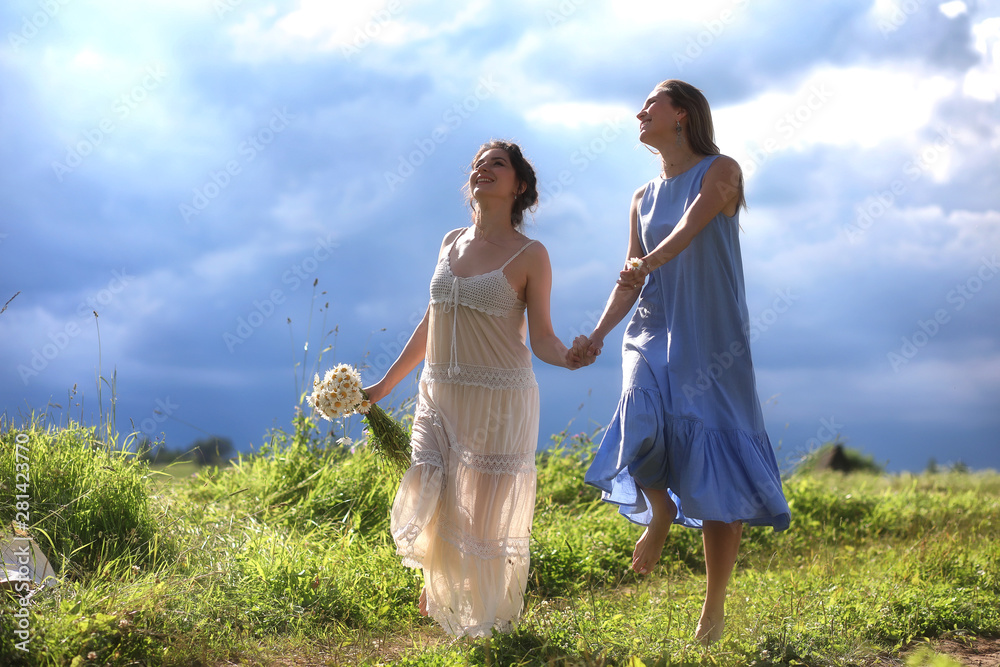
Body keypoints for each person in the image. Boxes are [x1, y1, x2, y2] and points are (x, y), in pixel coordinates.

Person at [574, 80, 791, 645]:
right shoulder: (641, 197)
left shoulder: (722, 170)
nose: (639, 112)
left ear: (683, 115)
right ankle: (660, 508)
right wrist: (597, 333)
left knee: (717, 473)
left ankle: (713, 609)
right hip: (651, 329)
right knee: (637, 417)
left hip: (711, 341)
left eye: (651, 104)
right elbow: (631, 275)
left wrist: (649, 260)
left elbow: (691, 226)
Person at [364, 140, 594, 638]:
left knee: (482, 523)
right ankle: (440, 574)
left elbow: (545, 340)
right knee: (428, 480)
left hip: (499, 400)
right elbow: (433, 320)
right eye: (477, 164)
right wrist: (385, 385)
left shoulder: (531, 255)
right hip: (439, 393)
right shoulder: (450, 241)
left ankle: (483, 628)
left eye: (497, 164)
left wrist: (570, 358)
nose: (482, 170)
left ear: (520, 186)